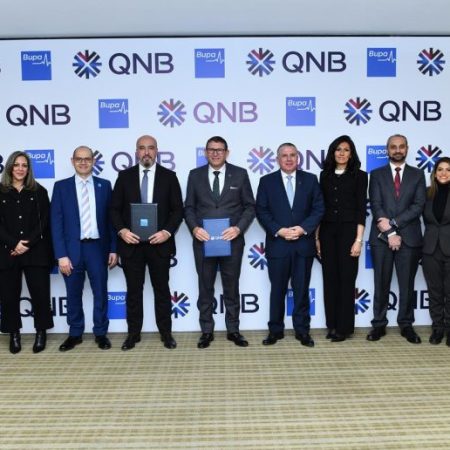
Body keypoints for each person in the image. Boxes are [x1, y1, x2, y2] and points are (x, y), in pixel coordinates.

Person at [110, 135, 183, 350]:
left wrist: (167, 232)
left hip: (159, 245)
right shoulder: (124, 177)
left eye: (150, 148)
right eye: (142, 148)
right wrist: (122, 231)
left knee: (162, 291)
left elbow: (178, 210)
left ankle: (166, 333)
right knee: (133, 292)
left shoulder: (169, 177)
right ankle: (133, 334)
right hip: (131, 246)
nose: (146, 152)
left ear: (156, 151)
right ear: (136, 152)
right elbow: (113, 209)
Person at [184, 136, 255, 349]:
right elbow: (189, 208)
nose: (215, 153)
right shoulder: (195, 175)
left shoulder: (240, 174)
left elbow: (250, 207)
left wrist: (238, 228)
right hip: (204, 242)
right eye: (211, 150)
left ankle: (233, 330)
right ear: (206, 152)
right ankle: (206, 331)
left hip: (231, 242)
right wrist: (195, 228)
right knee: (205, 288)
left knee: (231, 288)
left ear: (227, 152)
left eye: (220, 150)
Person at [256, 143, 324, 347]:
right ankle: (275, 331)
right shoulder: (267, 181)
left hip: (303, 245)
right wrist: (279, 230)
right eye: (284, 155)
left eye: (292, 155)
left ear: (298, 158)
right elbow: (261, 211)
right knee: (277, 290)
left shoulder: (310, 180)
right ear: (277, 159)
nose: (288, 159)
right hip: (278, 245)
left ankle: (302, 331)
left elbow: (319, 209)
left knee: (301, 291)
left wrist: (303, 229)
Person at [51, 146, 117, 352]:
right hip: (71, 251)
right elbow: (56, 224)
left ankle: (100, 333)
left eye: (87, 159)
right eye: (79, 159)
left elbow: (111, 221)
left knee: (100, 293)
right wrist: (61, 255)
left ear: (93, 161)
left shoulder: (104, 185)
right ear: (72, 161)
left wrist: (113, 249)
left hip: (97, 248)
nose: (83, 162)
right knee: (72, 293)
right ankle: (75, 333)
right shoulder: (61, 187)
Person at [367, 134, 426, 344]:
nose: (397, 150)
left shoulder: (418, 174)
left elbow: (418, 205)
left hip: (409, 238)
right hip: (381, 238)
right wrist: (390, 233)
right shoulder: (376, 174)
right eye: (393, 147)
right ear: (387, 150)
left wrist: (393, 224)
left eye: (401, 146)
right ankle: (379, 324)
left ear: (407, 149)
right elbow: (376, 204)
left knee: (407, 285)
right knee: (380, 283)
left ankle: (406, 324)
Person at [0, 151, 54, 354]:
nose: (20, 169)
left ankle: (41, 332)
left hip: (35, 251)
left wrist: (27, 244)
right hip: (7, 252)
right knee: (8, 296)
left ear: (29, 169)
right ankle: (14, 334)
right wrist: (14, 243)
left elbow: (44, 222)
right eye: (16, 165)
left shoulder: (39, 191)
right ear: (9, 167)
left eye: (24, 165)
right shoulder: (0, 192)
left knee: (40, 294)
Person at [316, 136, 368, 342]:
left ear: (351, 153)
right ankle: (332, 325)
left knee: (346, 280)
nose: (342, 153)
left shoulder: (360, 176)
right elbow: (320, 208)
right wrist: (317, 238)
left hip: (349, 233)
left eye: (346, 150)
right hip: (327, 232)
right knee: (329, 280)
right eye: (338, 149)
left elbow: (361, 210)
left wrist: (358, 240)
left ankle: (344, 328)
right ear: (333, 152)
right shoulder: (324, 175)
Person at [422, 157, 450, 345]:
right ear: (434, 173)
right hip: (430, 249)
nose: (444, 173)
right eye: (440, 169)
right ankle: (438, 329)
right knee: (435, 292)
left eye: (448, 169)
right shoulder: (426, 193)